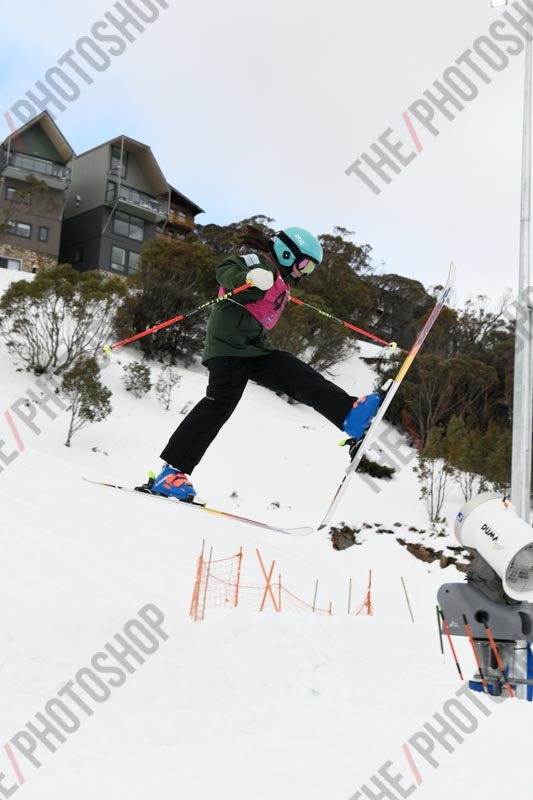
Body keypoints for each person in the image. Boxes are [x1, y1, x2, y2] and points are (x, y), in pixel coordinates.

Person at [150, 224, 380, 501]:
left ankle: (348, 415)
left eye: (310, 269)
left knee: (295, 373)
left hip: (254, 347)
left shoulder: (280, 280)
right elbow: (225, 269)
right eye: (304, 265)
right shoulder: (260, 263)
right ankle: (170, 473)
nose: (304, 273)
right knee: (219, 404)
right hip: (228, 346)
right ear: (286, 253)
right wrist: (248, 276)